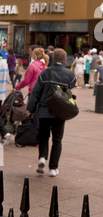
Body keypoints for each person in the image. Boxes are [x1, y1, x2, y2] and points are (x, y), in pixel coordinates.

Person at [27, 48, 76, 177]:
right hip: (60, 112)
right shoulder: (69, 75)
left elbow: (35, 94)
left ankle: (42, 157)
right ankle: (53, 168)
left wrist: (31, 109)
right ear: (64, 59)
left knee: (43, 136)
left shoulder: (45, 73)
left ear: (53, 58)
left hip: (43, 111)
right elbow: (71, 88)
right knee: (57, 140)